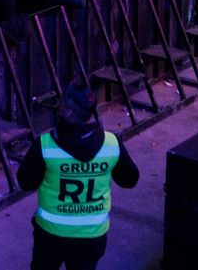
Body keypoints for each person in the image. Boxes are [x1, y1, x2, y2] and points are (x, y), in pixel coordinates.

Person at [18, 81, 139, 270]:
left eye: (61, 104)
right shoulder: (111, 144)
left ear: (67, 112)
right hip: (92, 236)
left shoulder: (44, 145)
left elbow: (25, 182)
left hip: (51, 235)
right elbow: (130, 180)